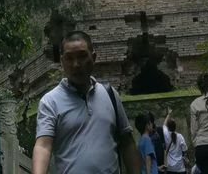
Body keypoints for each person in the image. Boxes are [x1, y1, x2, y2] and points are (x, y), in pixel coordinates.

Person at [32, 30, 139, 174]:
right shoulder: (50, 101)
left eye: (82, 56)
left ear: (93, 57)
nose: (76, 64)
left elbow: (127, 143)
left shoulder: (110, 94)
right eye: (69, 58)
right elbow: (43, 146)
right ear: (62, 61)